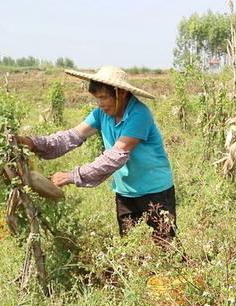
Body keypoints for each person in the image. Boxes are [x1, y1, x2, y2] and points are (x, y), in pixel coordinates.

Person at [18, 66, 176, 246]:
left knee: (167, 246)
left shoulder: (139, 115)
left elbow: (115, 157)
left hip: (155, 190)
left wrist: (72, 176)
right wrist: (34, 143)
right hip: (125, 192)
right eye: (97, 98)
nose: (100, 104)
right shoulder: (101, 114)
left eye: (103, 97)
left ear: (121, 93)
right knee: (130, 248)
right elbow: (71, 137)